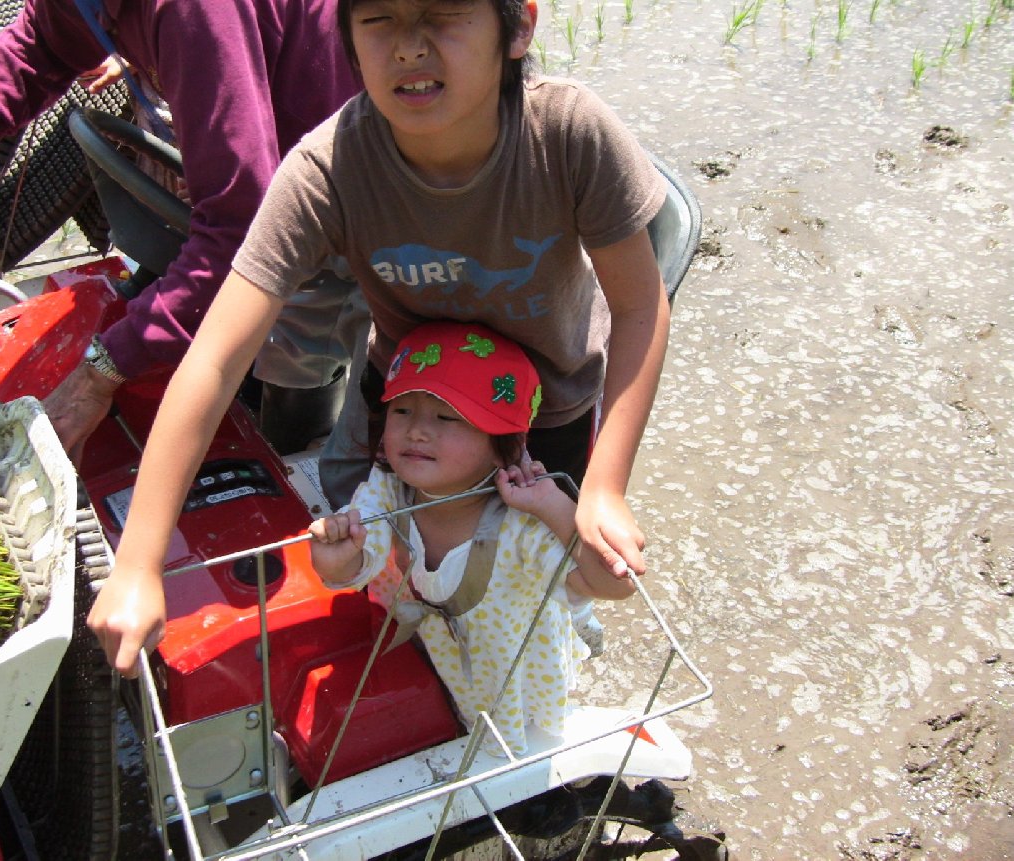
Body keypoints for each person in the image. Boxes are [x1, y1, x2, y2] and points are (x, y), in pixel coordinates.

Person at [88, 0, 670, 678]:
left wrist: (604, 487)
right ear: (346, 40)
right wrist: (138, 562)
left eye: (442, 15)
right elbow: (217, 358)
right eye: (379, 20)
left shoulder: (567, 133)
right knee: (401, 564)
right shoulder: (329, 166)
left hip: (542, 415)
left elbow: (639, 306)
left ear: (517, 26)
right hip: (407, 400)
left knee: (535, 591)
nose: (409, 47)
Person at [0, 0, 362, 461]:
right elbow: (46, 36)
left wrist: (101, 373)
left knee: (306, 344)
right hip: (262, 157)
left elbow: (245, 233)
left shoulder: (197, 12)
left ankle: (300, 458)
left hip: (347, 180)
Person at [309, 322, 627, 753]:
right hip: (437, 651)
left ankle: (580, 627)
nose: (417, 431)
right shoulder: (388, 486)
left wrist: (554, 504)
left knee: (508, 745)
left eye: (446, 417)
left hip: (509, 675)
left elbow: (615, 584)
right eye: (402, 411)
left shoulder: (521, 526)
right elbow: (361, 556)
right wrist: (335, 561)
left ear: (503, 446)